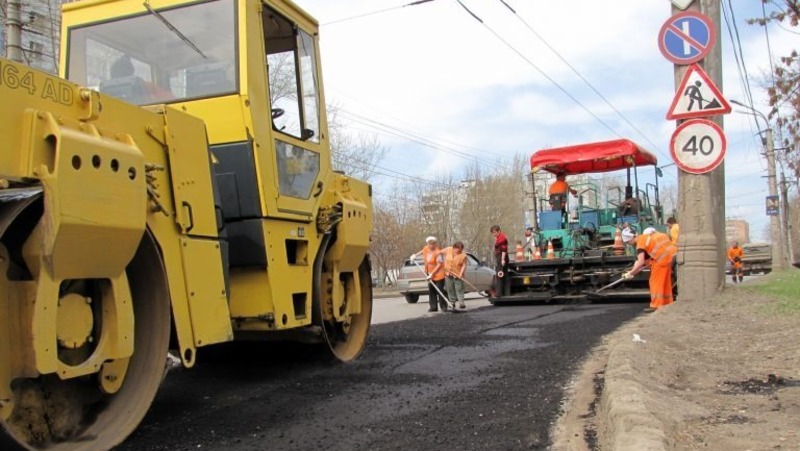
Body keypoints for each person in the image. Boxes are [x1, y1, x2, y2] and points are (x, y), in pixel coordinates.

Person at [622, 227, 677, 312]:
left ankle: (656, 305)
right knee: (665, 283)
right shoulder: (645, 238)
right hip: (668, 259)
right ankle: (667, 303)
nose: (629, 244)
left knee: (654, 283)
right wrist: (633, 271)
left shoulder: (640, 244)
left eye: (627, 242)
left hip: (660, 261)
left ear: (631, 238)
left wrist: (630, 273)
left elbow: (640, 262)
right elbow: (643, 259)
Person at [410, 236, 448, 312]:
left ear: (435, 244)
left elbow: (439, 264)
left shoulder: (438, 252)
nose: (431, 245)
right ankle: (433, 307)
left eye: (433, 244)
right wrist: (415, 255)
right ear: (427, 244)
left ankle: (444, 306)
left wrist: (432, 273)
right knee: (431, 290)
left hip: (439, 274)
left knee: (439, 290)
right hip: (429, 273)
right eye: (429, 244)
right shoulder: (426, 248)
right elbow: (422, 251)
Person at [441, 241, 468, 309]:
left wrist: (461, 274)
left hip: (457, 274)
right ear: (454, 248)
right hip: (448, 273)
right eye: (457, 249)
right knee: (450, 288)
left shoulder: (463, 255)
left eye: (460, 249)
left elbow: (464, 265)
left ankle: (461, 302)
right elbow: (439, 252)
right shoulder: (448, 250)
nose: (458, 251)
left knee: (459, 289)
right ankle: (452, 302)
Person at [490, 225, 510, 297]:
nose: (494, 234)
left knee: (500, 274)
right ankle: (506, 292)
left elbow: (504, 249)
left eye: (495, 232)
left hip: (501, 257)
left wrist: (502, 259)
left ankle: (499, 293)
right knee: (504, 274)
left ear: (499, 231)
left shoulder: (502, 238)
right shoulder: (499, 237)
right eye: (493, 233)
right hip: (501, 256)